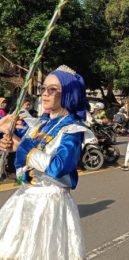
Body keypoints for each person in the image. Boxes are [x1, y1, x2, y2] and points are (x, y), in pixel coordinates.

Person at [0, 65, 87, 258]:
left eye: (52, 89)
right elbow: (17, 137)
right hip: (24, 199)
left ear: (68, 93)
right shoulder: (41, 123)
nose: (44, 94)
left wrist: (20, 147)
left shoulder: (73, 130)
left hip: (50, 205)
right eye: (43, 89)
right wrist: (6, 129)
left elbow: (59, 166)